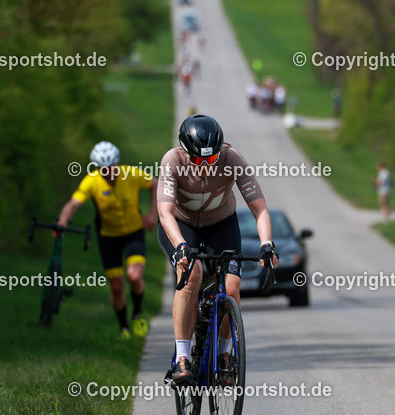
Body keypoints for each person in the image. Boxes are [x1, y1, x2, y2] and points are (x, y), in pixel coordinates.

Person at [157, 114, 279, 385]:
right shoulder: (172, 160)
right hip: (181, 225)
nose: (205, 166)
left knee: (233, 286)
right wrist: (180, 248)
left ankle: (225, 355)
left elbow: (259, 207)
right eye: (198, 160)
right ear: (185, 152)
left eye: (211, 159)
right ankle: (182, 359)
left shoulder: (231, 158)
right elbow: (165, 212)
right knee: (192, 276)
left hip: (221, 224)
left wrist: (267, 245)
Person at [57, 141, 157, 339]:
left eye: (111, 168)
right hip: (108, 238)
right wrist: (62, 221)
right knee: (117, 286)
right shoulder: (91, 181)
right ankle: (124, 328)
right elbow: (73, 204)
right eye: (103, 170)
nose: (108, 173)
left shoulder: (131, 173)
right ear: (96, 168)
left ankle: (137, 313)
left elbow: (155, 184)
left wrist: (153, 213)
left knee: (135, 275)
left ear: (117, 163)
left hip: (133, 233)